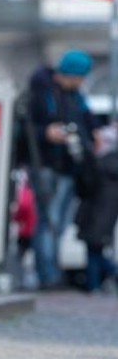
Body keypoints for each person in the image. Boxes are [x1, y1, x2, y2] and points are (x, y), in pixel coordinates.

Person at [25, 49, 98, 289]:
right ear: (69, 74)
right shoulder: (39, 91)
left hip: (69, 167)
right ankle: (47, 275)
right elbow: (24, 129)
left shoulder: (75, 95)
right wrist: (46, 133)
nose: (80, 82)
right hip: (45, 164)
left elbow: (87, 120)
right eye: (79, 77)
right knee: (49, 220)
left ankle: (53, 271)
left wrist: (95, 133)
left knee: (60, 223)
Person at [75, 124, 118, 294]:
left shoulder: (102, 163)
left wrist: (89, 155)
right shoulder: (110, 164)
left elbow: (86, 183)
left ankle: (94, 285)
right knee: (95, 253)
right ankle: (94, 284)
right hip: (101, 216)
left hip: (96, 217)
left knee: (94, 254)